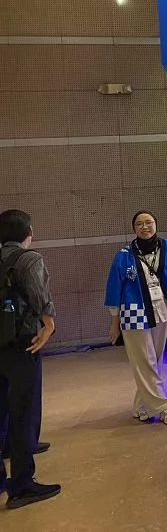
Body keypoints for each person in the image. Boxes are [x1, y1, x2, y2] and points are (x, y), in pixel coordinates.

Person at [0, 209, 60, 509]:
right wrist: (49, 325)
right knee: (23, 411)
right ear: (29, 233)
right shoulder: (28, 259)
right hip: (21, 343)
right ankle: (22, 485)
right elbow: (39, 296)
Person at [105, 211, 167, 426]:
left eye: (149, 222)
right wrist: (115, 323)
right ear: (134, 229)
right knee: (146, 362)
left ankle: (142, 405)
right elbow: (114, 289)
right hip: (133, 314)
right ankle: (163, 407)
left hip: (161, 310)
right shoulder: (124, 255)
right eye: (139, 224)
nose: (144, 227)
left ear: (156, 224)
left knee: (154, 362)